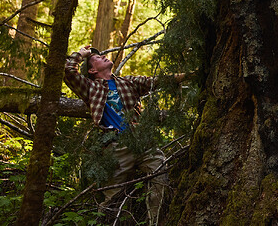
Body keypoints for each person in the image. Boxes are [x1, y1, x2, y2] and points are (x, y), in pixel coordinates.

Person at [64, 45, 188, 225]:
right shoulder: (90, 88)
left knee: (161, 179)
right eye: (99, 58)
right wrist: (82, 55)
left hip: (141, 142)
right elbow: (69, 72)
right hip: (115, 148)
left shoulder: (127, 82)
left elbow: (155, 81)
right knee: (111, 202)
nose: (105, 57)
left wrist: (189, 75)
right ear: (92, 70)